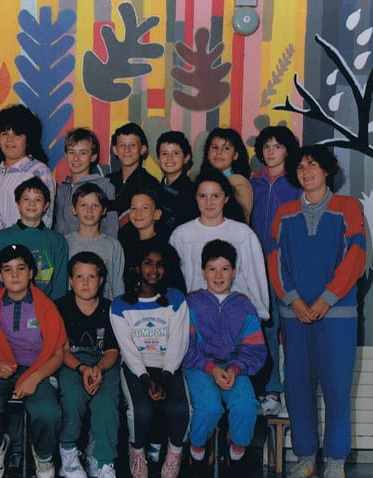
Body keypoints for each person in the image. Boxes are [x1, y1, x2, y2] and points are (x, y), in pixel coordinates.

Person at [269, 145, 366, 478]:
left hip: (337, 315)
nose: (306, 171)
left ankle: (336, 463)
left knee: (337, 388)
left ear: (326, 170)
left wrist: (327, 298)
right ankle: (306, 459)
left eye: (313, 165)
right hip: (294, 315)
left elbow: (356, 256)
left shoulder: (347, 207)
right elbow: (275, 260)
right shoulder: (284, 213)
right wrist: (293, 300)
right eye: (300, 167)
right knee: (297, 387)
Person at [0, 244, 66, 478]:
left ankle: (43, 454)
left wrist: (34, 378)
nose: (15, 275)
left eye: (21, 268)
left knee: (49, 413)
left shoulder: (46, 306)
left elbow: (57, 354)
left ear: (31, 273)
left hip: (37, 368)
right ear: (0, 276)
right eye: (8, 269)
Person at [183, 240, 266, 478]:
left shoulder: (244, 306)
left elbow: (255, 349)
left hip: (234, 368)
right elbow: (185, 347)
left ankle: (236, 455)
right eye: (212, 269)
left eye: (225, 269)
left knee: (245, 406)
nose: (218, 275)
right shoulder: (192, 303)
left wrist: (234, 369)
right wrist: (212, 369)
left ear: (234, 271)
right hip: (200, 367)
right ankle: (197, 453)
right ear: (202, 272)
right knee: (209, 408)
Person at [110, 244, 189, 478]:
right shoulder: (120, 305)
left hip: (168, 366)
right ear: (137, 267)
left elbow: (178, 341)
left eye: (160, 264)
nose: (154, 270)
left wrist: (165, 377)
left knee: (182, 411)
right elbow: (127, 349)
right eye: (148, 263)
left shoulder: (175, 299)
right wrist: (146, 380)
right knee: (141, 411)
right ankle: (137, 450)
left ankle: (174, 453)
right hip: (136, 368)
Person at [56, 252, 121, 478]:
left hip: (103, 363)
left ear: (101, 280)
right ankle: (68, 450)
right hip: (72, 363)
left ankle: (105, 464)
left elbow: (113, 350)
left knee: (106, 402)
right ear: (70, 280)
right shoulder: (60, 307)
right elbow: (61, 350)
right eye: (79, 277)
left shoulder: (110, 309)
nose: (85, 283)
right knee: (73, 396)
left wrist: (99, 369)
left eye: (91, 277)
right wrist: (82, 369)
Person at [170, 170, 268, 320]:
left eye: (215, 196)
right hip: (196, 315)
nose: (209, 202)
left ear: (226, 198)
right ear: (195, 197)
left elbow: (256, 278)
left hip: (236, 314)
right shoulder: (181, 235)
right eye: (203, 196)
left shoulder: (242, 233)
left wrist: (259, 314)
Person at [251, 126, 301, 416]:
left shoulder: (296, 183)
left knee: (293, 332)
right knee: (266, 331)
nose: (271, 152)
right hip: (259, 268)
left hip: (289, 267)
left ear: (287, 151)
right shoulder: (252, 184)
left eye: (277, 146)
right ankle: (272, 392)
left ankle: (295, 394)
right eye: (267, 146)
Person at [0, 176, 68, 300]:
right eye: (26, 199)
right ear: (17, 203)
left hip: (43, 306)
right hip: (8, 303)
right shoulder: (2, 237)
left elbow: (59, 286)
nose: (32, 203)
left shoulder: (57, 241)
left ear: (46, 205)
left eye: (38, 199)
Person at [0, 104, 56, 229]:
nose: (9, 140)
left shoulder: (39, 172)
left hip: (21, 240)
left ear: (28, 139)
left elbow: (45, 220)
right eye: (4, 133)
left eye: (17, 134)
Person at [118, 187, 185, 294]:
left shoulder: (165, 250)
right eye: (133, 208)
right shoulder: (126, 245)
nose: (138, 213)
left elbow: (176, 287)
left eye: (144, 208)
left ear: (157, 214)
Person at [54, 128, 118, 238]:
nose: (76, 158)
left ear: (93, 157)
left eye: (83, 153)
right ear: (66, 156)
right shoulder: (61, 189)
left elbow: (112, 228)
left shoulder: (104, 186)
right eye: (72, 152)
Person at [65, 183, 124, 299]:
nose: (89, 210)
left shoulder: (113, 245)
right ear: (74, 209)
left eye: (95, 205)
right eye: (83, 205)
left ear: (104, 210)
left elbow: (118, 286)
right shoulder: (65, 243)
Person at [107, 122, 159, 226]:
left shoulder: (150, 184)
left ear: (142, 149)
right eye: (122, 145)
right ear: (115, 150)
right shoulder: (107, 181)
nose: (127, 150)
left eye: (133, 145)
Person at [199, 127, 252, 223]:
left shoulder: (239, 183)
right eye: (215, 147)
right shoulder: (202, 181)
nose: (219, 152)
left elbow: (241, 222)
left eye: (226, 148)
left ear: (235, 155)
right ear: (207, 153)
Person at [155, 130, 199, 233]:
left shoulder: (192, 193)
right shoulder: (154, 189)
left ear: (186, 158)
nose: (169, 158)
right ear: (158, 159)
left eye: (175, 153)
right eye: (164, 153)